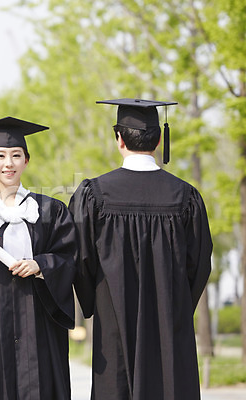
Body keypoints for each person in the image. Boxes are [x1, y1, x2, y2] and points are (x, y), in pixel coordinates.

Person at [69, 98, 213, 400]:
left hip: (114, 323)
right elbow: (198, 265)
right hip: (169, 322)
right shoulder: (186, 197)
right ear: (160, 139)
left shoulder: (93, 195)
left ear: (118, 138)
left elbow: (80, 261)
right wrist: (176, 304)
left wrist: (95, 301)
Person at [0, 117, 77, 399]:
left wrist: (41, 265)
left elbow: (71, 258)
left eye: (16, 155)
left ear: (26, 161)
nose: (8, 163)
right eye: (0, 155)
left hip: (40, 321)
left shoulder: (50, 211)